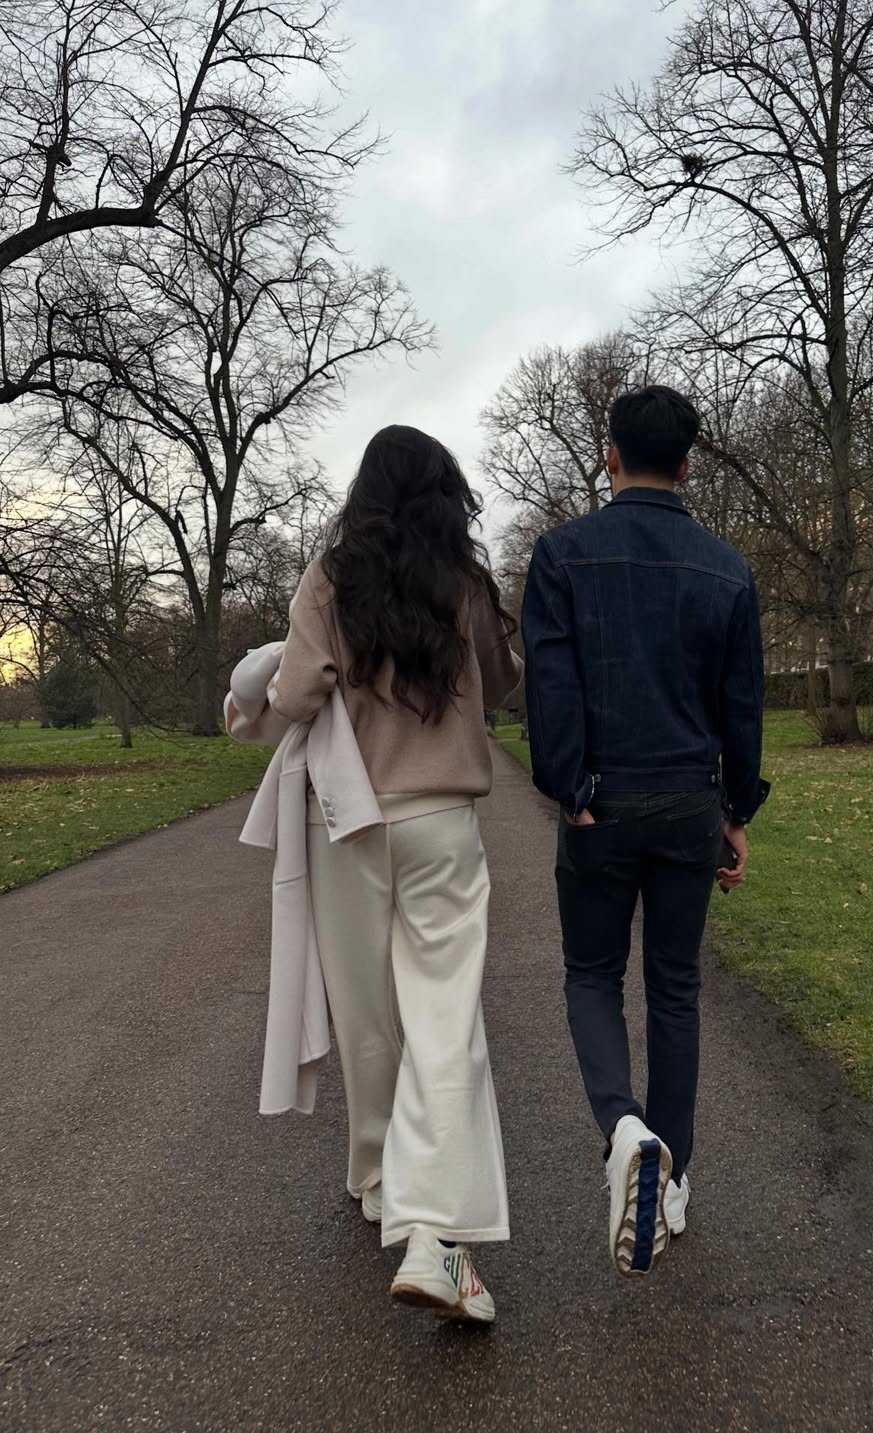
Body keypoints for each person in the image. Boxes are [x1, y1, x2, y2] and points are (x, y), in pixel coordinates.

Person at [270, 425, 521, 1323]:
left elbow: (296, 693)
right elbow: (500, 684)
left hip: (347, 819)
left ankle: (379, 1178)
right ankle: (433, 1233)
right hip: (440, 819)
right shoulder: (464, 583)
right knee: (443, 1016)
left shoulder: (331, 577)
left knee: (367, 1012)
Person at [521, 385, 768, 1278]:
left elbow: (549, 685)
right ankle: (673, 1177)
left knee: (593, 972)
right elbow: (742, 705)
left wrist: (570, 786)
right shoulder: (728, 569)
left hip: (603, 801)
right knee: (675, 987)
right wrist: (736, 811)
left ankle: (624, 1127)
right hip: (690, 803)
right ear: (689, 465)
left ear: (610, 457)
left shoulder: (561, 555)